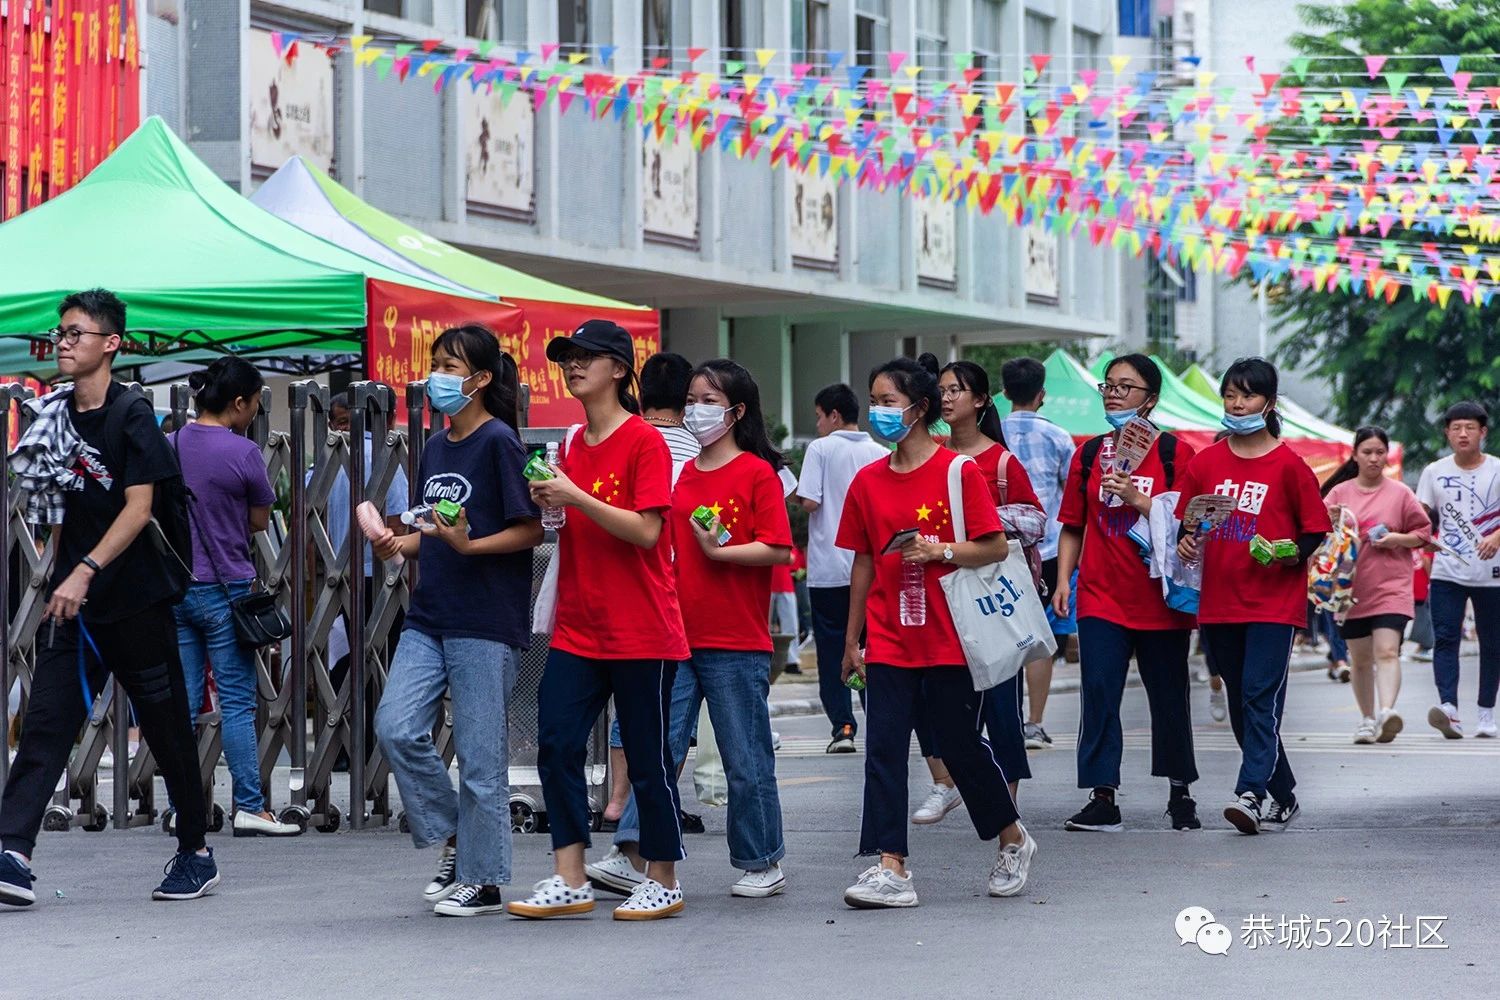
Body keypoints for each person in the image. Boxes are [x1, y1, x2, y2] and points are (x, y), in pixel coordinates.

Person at [0, 289, 217, 906]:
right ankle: (12, 851)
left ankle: (196, 852)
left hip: (136, 600)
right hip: (77, 605)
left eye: (77, 333)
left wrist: (86, 569)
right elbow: (65, 504)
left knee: (167, 729)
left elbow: (139, 507)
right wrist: (57, 570)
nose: (64, 342)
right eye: (60, 333)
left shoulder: (132, 415)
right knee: (46, 723)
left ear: (111, 343)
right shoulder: (56, 413)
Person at [837, 354, 1037, 909]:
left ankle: (1012, 837)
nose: (877, 412)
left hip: (952, 637)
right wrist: (851, 641)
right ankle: (891, 866)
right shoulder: (867, 482)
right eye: (872, 401)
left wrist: (938, 550)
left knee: (958, 746)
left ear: (919, 409)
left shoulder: (958, 471)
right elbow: (863, 563)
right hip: (890, 636)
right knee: (882, 748)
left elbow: (995, 544)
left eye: (887, 402)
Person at [590, 359, 791, 899]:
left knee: (744, 758)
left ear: (737, 411)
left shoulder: (757, 473)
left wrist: (720, 550)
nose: (696, 410)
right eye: (693, 399)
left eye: (709, 400)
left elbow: (778, 548)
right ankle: (632, 851)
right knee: (659, 750)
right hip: (676, 633)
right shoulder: (683, 475)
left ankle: (761, 858)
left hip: (736, 640)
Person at [509, 320, 688, 921]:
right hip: (579, 625)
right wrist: (552, 508)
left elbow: (646, 531)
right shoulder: (567, 445)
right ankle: (571, 875)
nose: (573, 366)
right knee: (556, 743)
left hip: (642, 626)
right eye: (567, 357)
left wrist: (576, 496)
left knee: (646, 755)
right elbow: (566, 529)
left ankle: (662, 876)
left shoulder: (646, 441)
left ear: (619, 369)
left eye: (587, 357)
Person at [372, 326, 542, 916]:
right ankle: (459, 840)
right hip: (431, 615)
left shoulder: (499, 443)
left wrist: (469, 548)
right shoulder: (437, 446)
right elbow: (437, 530)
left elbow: (530, 530)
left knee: (480, 758)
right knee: (394, 726)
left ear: (481, 379)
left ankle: (485, 879)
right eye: (435, 364)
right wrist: (402, 544)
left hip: (484, 621)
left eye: (451, 366)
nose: (438, 376)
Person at [1175, 358, 1330, 835]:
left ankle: (1251, 793)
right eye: (1230, 395)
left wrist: (1288, 556)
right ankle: (1282, 792)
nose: (1237, 403)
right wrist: (1186, 538)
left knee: (1260, 698)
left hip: (1272, 605)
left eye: (1247, 395)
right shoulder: (1205, 462)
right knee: (1243, 707)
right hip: (1219, 603)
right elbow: (1187, 523)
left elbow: (1314, 532)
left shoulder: (1290, 466)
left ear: (1269, 403)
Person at [1054, 355, 1201, 832]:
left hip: (1161, 600)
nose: (1113, 394)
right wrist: (1063, 582)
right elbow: (1073, 526)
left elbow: (1192, 526)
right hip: (1101, 597)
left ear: (1151, 400)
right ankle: (1102, 796)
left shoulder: (1177, 455)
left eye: (1126, 387)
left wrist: (1140, 500)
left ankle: (1180, 793)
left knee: (1169, 697)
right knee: (1098, 693)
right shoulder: (1090, 454)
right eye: (1108, 386)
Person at [170, 358, 300, 838]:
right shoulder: (243, 453)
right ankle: (249, 805)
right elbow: (261, 520)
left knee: (181, 705)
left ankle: (183, 809)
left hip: (178, 588)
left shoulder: (171, 445)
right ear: (239, 402)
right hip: (228, 592)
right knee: (238, 703)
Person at [908, 361, 1041, 827]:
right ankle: (945, 782)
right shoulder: (932, 453)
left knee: (1002, 701)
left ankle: (1007, 805)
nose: (947, 399)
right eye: (941, 390)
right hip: (938, 593)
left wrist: (977, 526)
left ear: (982, 400)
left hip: (988, 594)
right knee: (933, 696)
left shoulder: (1000, 461)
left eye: (957, 390)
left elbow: (1034, 520)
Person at [602, 352, 701, 826]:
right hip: (677, 591)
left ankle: (619, 800)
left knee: (634, 700)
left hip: (615, 587)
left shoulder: (623, 439)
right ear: (687, 397)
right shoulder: (698, 449)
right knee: (667, 706)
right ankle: (646, 808)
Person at [794, 384, 889, 753]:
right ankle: (878, 720)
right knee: (871, 647)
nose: (818, 424)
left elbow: (810, 502)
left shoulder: (820, 448)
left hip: (830, 568)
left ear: (834, 414)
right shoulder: (880, 452)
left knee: (834, 650)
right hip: (871, 568)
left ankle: (844, 727)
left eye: (819, 416)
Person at [1322, 426, 1430, 745]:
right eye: (1367, 452)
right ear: (1354, 455)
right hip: (1349, 589)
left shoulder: (1401, 494)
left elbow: (1424, 532)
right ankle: (1367, 719)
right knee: (1360, 659)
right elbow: (1319, 531)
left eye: (1380, 452)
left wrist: (1398, 539)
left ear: (1387, 456)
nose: (1373, 458)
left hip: (1391, 587)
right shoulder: (1339, 494)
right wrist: (1331, 520)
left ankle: (1386, 713)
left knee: (1386, 651)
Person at [324, 390, 409, 772]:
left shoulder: (324, 463)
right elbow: (397, 525)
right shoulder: (393, 458)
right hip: (384, 578)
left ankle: (345, 745)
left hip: (339, 578)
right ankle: (372, 746)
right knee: (381, 660)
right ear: (390, 418)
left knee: (351, 658)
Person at [1000, 356, 1077, 749]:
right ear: (1042, 394)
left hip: (996, 547)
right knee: (1039, 634)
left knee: (1001, 630)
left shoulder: (989, 432)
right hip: (1045, 550)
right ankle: (1034, 723)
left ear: (1003, 391)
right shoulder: (1060, 437)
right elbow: (1070, 494)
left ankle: (1004, 719)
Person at [1416, 401, 1500, 738]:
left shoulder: (1497, 469)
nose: (1462, 434)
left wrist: (1496, 536)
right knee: (1446, 638)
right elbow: (1420, 516)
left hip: (1492, 573)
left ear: (1483, 432)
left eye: (1469, 428)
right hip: (1447, 569)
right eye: (1455, 428)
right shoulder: (1434, 472)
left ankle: (1485, 713)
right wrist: (1421, 538)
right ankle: (1448, 708)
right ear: (1447, 434)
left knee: (1492, 644)